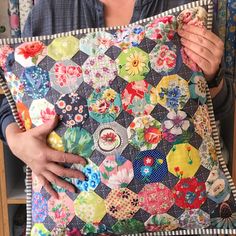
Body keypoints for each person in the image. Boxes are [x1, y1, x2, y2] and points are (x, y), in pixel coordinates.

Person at [0, 0, 234, 199]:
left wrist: (212, 77)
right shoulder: (49, 10)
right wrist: (17, 142)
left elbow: (225, 109)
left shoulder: (183, 5)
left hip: (183, 197)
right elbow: (15, 99)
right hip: (75, 202)